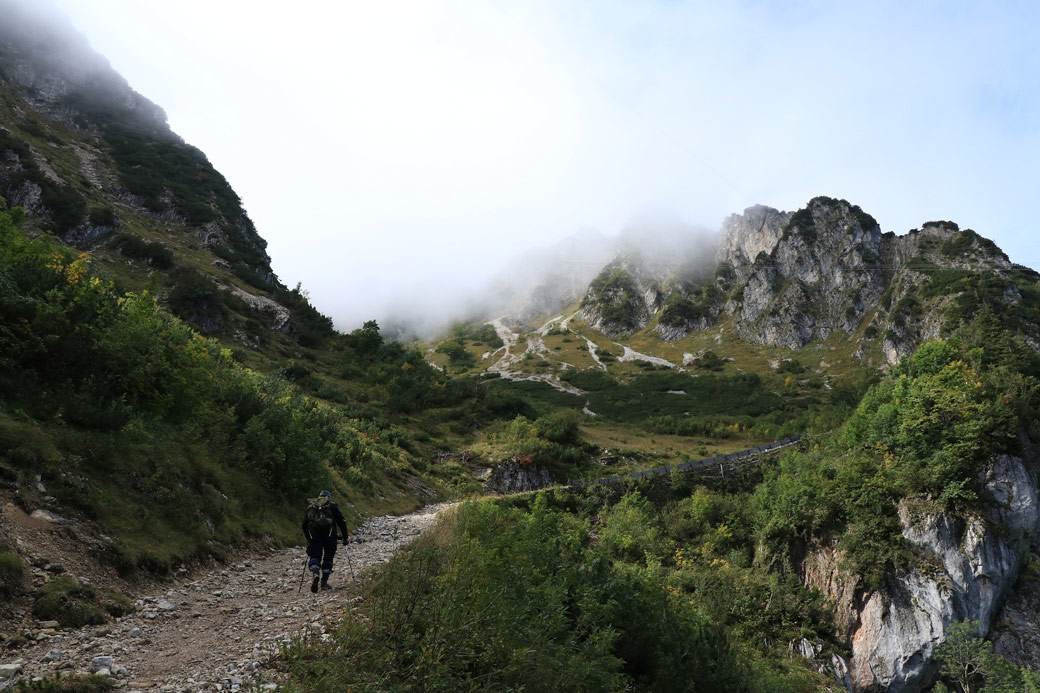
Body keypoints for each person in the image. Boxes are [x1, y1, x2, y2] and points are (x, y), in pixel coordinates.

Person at [302, 490, 348, 592]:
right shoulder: (332, 506)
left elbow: (304, 524)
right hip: (330, 536)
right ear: (329, 498)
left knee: (315, 556)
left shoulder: (312, 507)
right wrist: (345, 537)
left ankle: (315, 573)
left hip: (314, 536)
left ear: (319, 497)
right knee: (328, 558)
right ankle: (324, 583)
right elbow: (341, 522)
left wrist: (308, 538)